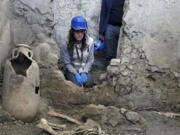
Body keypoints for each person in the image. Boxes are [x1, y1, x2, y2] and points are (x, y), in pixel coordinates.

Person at [62, 16, 94, 88]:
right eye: (77, 31)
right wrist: (75, 73)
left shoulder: (90, 42)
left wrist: (85, 71)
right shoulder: (66, 44)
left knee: (89, 83)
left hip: (84, 69)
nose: (80, 34)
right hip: (73, 69)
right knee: (77, 86)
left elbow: (90, 60)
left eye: (82, 31)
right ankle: (68, 76)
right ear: (72, 31)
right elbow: (67, 63)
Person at [99, 0, 125, 66]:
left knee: (124, 51)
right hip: (110, 26)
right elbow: (103, 14)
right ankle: (109, 68)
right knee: (109, 52)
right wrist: (101, 31)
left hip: (124, 27)